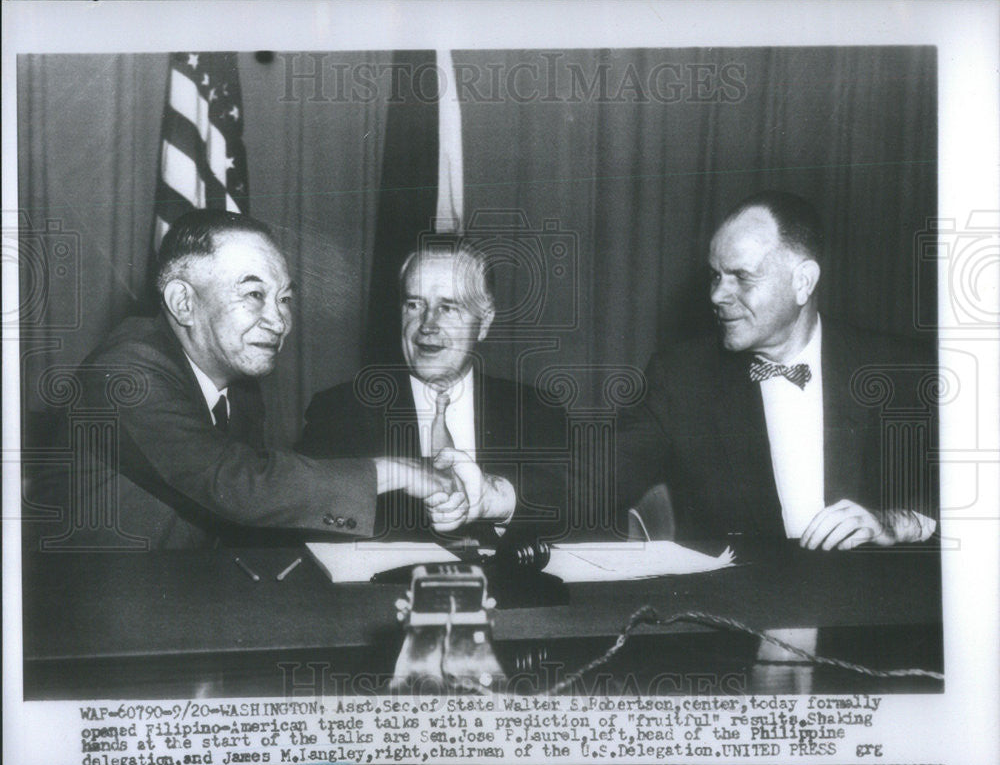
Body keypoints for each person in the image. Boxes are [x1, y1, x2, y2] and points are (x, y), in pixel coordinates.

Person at [55, 209, 452, 549]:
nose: (279, 322)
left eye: (284, 299)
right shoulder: (124, 372)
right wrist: (392, 471)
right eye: (253, 294)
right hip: (104, 617)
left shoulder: (239, 385)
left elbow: (254, 517)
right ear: (183, 302)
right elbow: (236, 484)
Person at [616, 191, 938, 549]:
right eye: (716, 276)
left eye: (741, 277)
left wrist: (901, 523)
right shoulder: (680, 378)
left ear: (803, 282)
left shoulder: (904, 372)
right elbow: (597, 477)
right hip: (740, 602)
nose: (717, 295)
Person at [297, 242, 569, 542]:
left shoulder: (535, 410)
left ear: (484, 323)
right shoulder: (341, 410)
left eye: (448, 307)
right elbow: (308, 515)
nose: (427, 325)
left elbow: (573, 514)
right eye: (414, 304)